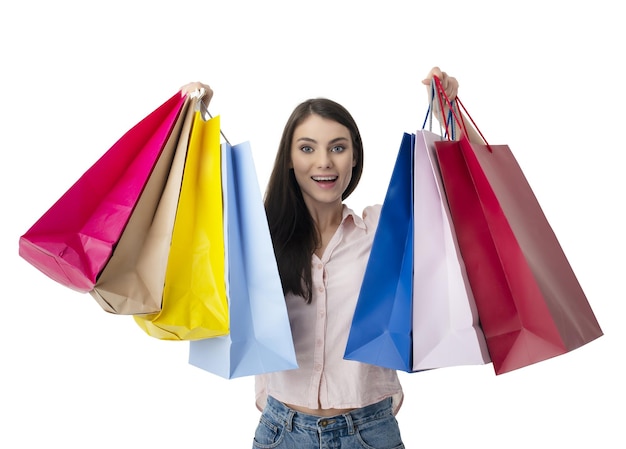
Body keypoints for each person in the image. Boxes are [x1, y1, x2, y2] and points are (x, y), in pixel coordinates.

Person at [180, 67, 482, 449]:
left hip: (369, 432)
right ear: (289, 159)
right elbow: (188, 214)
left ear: (354, 157)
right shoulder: (257, 237)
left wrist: (448, 115)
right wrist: (190, 129)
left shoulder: (382, 230)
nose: (324, 161)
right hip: (281, 432)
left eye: (338, 148)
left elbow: (466, 197)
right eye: (307, 148)